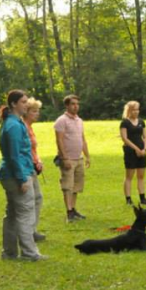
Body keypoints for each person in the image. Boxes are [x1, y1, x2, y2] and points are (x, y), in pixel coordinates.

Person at [0, 89, 46, 261]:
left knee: (12, 215)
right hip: (17, 175)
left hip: (13, 173)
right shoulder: (13, 126)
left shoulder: (13, 123)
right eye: (23, 102)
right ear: (13, 104)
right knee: (25, 214)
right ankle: (29, 253)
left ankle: (9, 253)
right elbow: (14, 156)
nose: (27, 105)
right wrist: (22, 178)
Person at [54, 94, 90, 223]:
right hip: (68, 159)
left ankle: (73, 209)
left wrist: (87, 156)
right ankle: (69, 212)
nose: (76, 106)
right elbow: (59, 140)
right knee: (67, 186)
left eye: (77, 104)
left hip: (79, 158)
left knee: (76, 186)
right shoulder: (61, 120)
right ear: (67, 105)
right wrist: (64, 158)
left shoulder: (79, 120)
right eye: (73, 104)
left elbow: (83, 139)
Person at [22, 97, 46, 241]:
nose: (37, 114)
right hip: (26, 167)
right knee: (32, 199)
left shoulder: (30, 127)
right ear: (26, 112)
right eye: (34, 111)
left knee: (37, 198)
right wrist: (33, 162)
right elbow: (23, 150)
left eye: (38, 111)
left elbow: (33, 149)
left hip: (33, 166)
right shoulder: (23, 127)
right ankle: (29, 232)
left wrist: (39, 160)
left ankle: (32, 230)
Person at [120, 100, 146, 206]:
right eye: (134, 110)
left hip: (142, 151)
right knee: (129, 176)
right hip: (130, 151)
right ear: (129, 111)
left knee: (141, 176)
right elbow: (124, 138)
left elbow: (145, 136)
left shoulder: (141, 122)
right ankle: (128, 199)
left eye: (137, 109)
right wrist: (136, 149)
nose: (136, 112)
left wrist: (144, 149)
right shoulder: (125, 123)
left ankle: (143, 198)